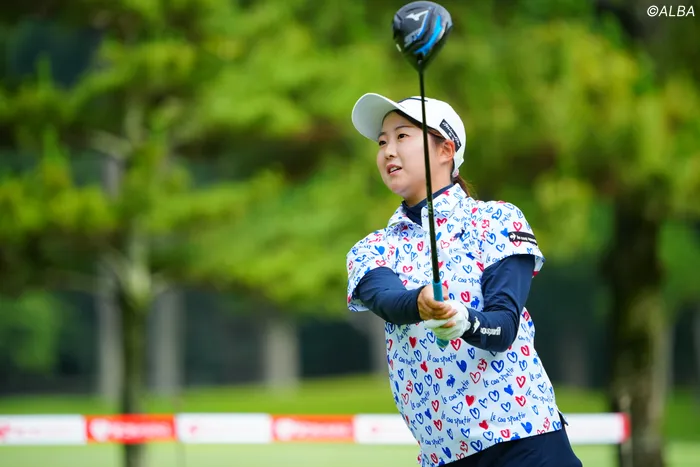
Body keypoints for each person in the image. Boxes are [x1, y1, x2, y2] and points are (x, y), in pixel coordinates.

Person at [345, 93, 583, 467]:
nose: (388, 150)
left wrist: (463, 321)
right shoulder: (371, 248)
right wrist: (422, 303)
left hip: (525, 442)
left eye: (402, 136)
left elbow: (503, 325)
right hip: (444, 455)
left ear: (445, 150)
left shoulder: (497, 221)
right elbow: (388, 300)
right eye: (381, 141)